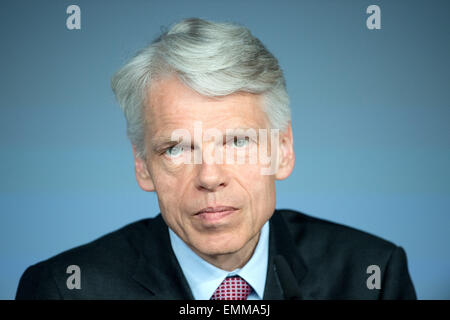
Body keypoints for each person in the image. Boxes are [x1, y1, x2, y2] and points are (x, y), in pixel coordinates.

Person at [16, 18, 416, 300]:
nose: (209, 177)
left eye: (238, 141)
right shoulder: (64, 289)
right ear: (142, 164)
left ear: (283, 150)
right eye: (176, 148)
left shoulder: (373, 275)